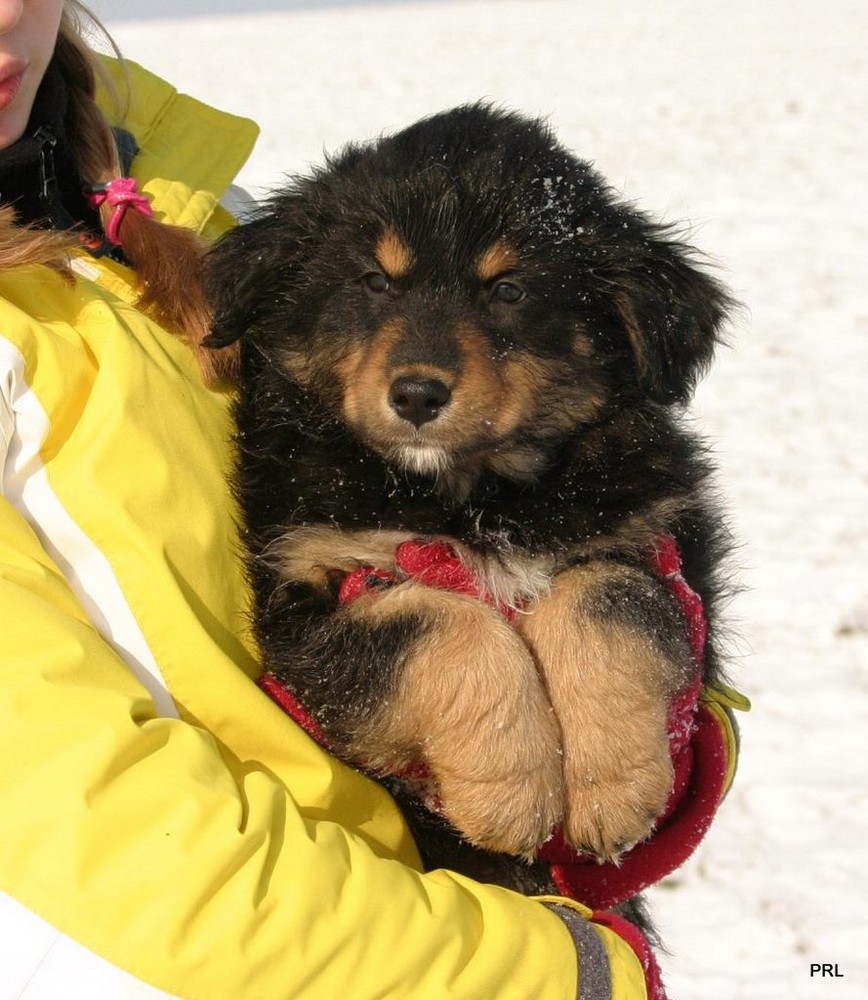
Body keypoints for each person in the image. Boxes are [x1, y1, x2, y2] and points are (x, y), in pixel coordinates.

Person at [0, 3, 667, 997]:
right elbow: (100, 833)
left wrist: (652, 687)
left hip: (439, 899)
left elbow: (564, 475)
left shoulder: (165, 173)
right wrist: (554, 975)